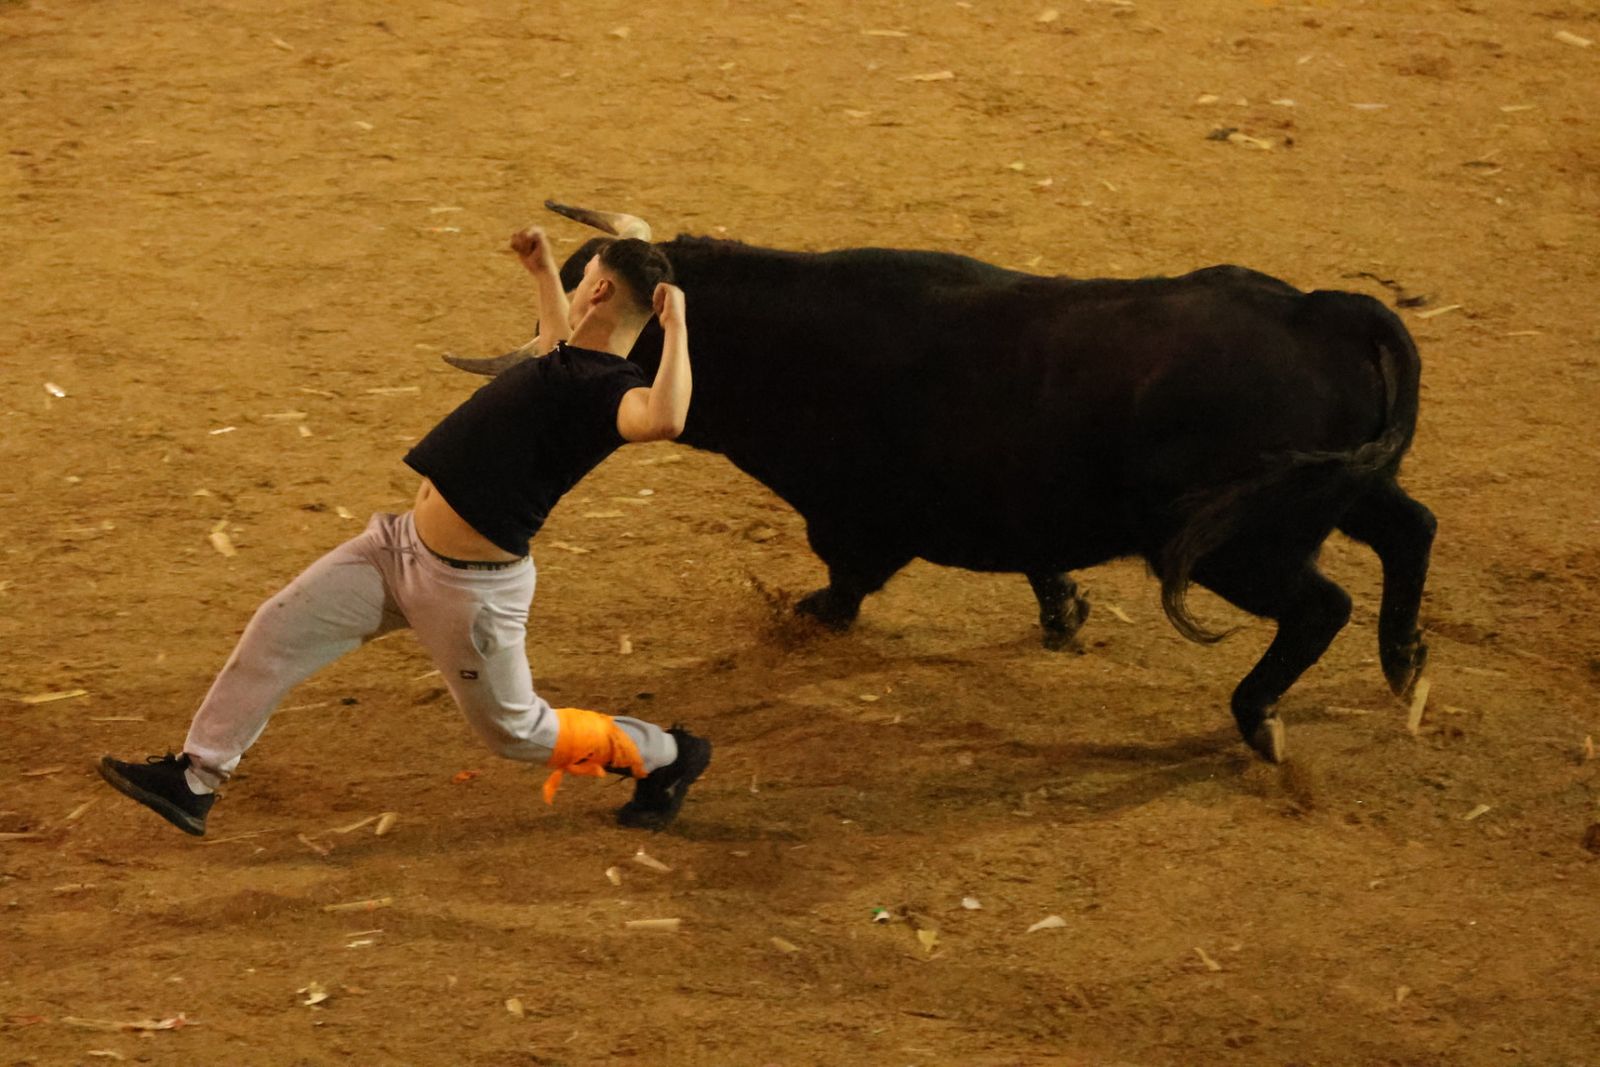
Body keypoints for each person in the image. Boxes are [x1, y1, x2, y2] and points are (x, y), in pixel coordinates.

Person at [98, 225, 710, 836]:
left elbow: (665, 418)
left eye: (581, 281)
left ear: (600, 291)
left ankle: (666, 755)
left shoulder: (611, 391)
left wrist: (676, 327)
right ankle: (196, 777)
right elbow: (555, 339)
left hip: (468, 593)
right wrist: (544, 274)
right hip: (396, 551)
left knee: (515, 732)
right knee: (277, 629)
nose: (574, 290)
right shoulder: (569, 363)